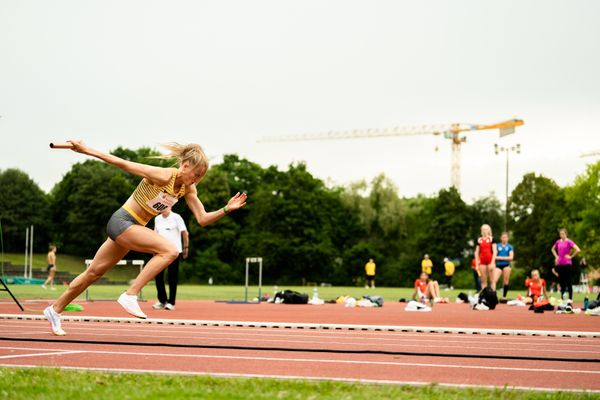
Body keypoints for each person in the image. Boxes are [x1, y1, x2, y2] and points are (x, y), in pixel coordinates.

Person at [44, 141, 247, 336]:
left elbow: (202, 219)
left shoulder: (188, 188)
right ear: (185, 166)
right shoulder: (164, 175)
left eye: (202, 176)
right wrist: (85, 149)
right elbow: (122, 163)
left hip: (133, 227)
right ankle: (130, 294)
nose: (198, 179)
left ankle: (55, 309)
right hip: (122, 221)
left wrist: (226, 209)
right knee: (169, 250)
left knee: (93, 273)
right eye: (197, 174)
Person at [152, 208, 189, 311]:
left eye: (166, 206)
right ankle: (162, 300)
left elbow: (185, 233)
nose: (163, 209)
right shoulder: (157, 219)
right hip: (160, 251)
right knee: (158, 276)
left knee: (172, 277)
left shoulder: (176, 217)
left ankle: (171, 302)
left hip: (174, 252)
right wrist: (153, 249)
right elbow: (155, 235)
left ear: (170, 206)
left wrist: (186, 247)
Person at [551, 228, 581, 301]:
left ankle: (570, 299)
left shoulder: (569, 242)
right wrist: (556, 257)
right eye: (560, 234)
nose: (561, 235)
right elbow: (552, 249)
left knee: (568, 282)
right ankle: (562, 299)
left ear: (566, 234)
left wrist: (571, 256)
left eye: (563, 234)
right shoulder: (558, 242)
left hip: (567, 264)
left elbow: (578, 250)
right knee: (562, 283)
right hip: (560, 264)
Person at [474, 224, 497, 291]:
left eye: (486, 229)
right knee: (483, 280)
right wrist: (477, 264)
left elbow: (495, 251)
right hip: (482, 261)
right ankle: (485, 296)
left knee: (492, 280)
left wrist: (492, 263)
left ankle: (493, 295)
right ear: (481, 230)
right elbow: (476, 252)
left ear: (489, 230)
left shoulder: (491, 239)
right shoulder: (479, 240)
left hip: (490, 260)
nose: (484, 231)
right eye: (483, 229)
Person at [495, 232, 514, 300]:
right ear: (501, 238)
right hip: (498, 265)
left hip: (506, 265)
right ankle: (493, 295)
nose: (504, 239)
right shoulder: (497, 246)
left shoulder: (510, 246)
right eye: (503, 237)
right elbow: (494, 256)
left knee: (506, 281)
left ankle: (504, 296)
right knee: (494, 280)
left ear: (508, 238)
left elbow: (511, 257)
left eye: (505, 237)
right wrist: (501, 257)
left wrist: (502, 258)